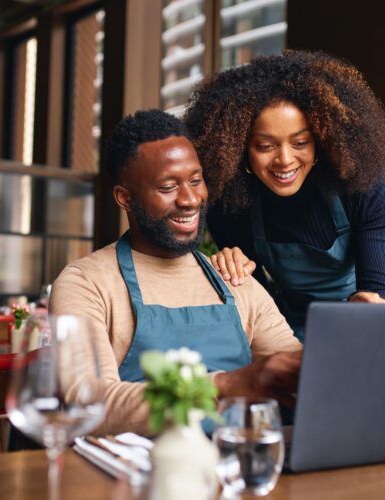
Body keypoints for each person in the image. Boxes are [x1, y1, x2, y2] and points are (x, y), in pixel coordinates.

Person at [50, 109, 301, 436]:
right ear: (125, 198)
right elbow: (87, 401)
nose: (190, 199)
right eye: (168, 187)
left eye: (196, 180)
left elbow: (294, 368)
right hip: (133, 479)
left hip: (239, 468)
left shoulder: (233, 276)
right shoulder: (86, 283)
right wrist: (225, 384)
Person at [184, 50, 385, 340]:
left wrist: (365, 305)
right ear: (239, 150)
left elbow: (376, 291)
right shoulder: (231, 206)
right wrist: (232, 272)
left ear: (321, 141)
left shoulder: (362, 186)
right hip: (290, 326)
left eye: (300, 142)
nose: (285, 160)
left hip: (365, 321)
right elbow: (258, 306)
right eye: (266, 146)